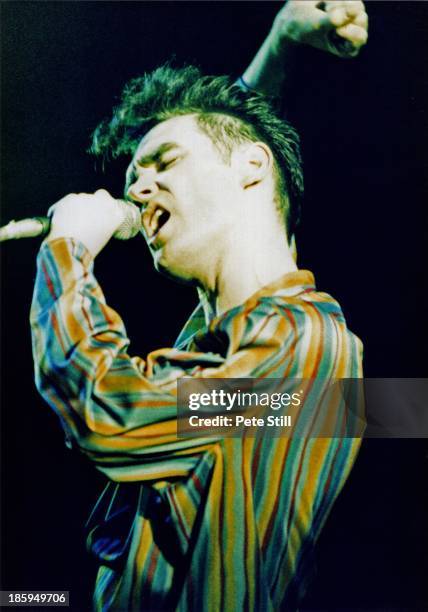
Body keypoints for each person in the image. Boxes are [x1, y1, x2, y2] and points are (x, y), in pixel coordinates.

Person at [30, 2, 368, 610]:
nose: (136, 189)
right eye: (134, 177)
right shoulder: (224, 339)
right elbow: (233, 145)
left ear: (252, 168)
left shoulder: (306, 341)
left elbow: (109, 413)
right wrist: (281, 41)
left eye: (163, 164)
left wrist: (67, 248)